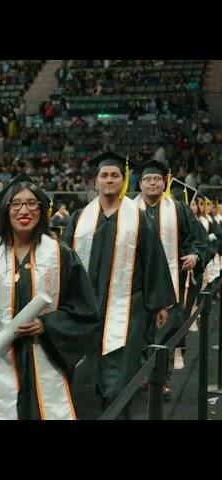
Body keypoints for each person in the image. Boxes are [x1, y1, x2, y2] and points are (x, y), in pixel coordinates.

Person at [0, 173, 100, 420]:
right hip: (2, 361)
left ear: (41, 209)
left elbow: (85, 312)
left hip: (48, 354)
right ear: (6, 211)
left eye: (31, 203)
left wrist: (46, 324)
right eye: (16, 204)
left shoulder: (62, 255)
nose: (23, 210)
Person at [61, 152, 176, 417]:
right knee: (96, 366)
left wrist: (158, 303)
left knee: (121, 368)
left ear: (123, 181)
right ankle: (107, 405)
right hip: (87, 306)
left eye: (115, 175)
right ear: (96, 181)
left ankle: (116, 411)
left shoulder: (138, 218)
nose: (109, 180)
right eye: (104, 175)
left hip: (128, 306)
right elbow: (64, 261)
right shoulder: (80, 218)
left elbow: (153, 261)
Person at [133, 161, 209, 398]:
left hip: (169, 280)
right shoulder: (129, 209)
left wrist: (195, 256)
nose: (152, 183)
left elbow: (198, 238)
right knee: (139, 330)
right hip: (136, 281)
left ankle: (160, 380)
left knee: (163, 331)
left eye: (156, 179)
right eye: (148, 179)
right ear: (140, 183)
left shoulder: (177, 209)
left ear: (164, 182)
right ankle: (142, 374)